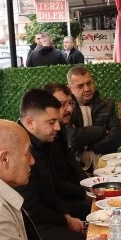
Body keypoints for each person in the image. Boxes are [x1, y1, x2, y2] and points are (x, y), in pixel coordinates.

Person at [17, 89, 87, 240]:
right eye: (51, 122)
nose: (57, 127)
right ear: (30, 122)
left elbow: (50, 189)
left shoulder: (42, 142)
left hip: (45, 215)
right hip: (28, 228)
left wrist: (66, 215)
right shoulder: (18, 148)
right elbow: (31, 210)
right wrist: (66, 220)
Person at [43, 81, 90, 217]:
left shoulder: (61, 129)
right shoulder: (45, 137)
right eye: (62, 104)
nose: (69, 109)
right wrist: (84, 193)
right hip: (56, 206)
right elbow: (53, 184)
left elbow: (73, 165)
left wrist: (89, 185)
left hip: (69, 195)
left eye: (70, 103)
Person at [67, 65, 121, 171]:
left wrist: (87, 146)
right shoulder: (67, 108)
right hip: (77, 163)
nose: (87, 89)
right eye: (80, 86)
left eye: (89, 83)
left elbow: (116, 138)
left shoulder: (106, 105)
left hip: (106, 161)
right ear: (70, 89)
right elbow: (72, 139)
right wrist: (102, 131)